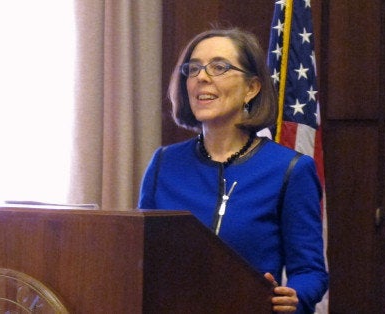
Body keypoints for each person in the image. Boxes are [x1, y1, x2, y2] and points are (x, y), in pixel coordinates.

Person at [138, 27, 328, 313]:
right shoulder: (164, 164)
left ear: (251, 88)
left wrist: (294, 297)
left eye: (219, 67)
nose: (202, 77)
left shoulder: (290, 170)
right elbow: (140, 254)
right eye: (193, 68)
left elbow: (311, 272)